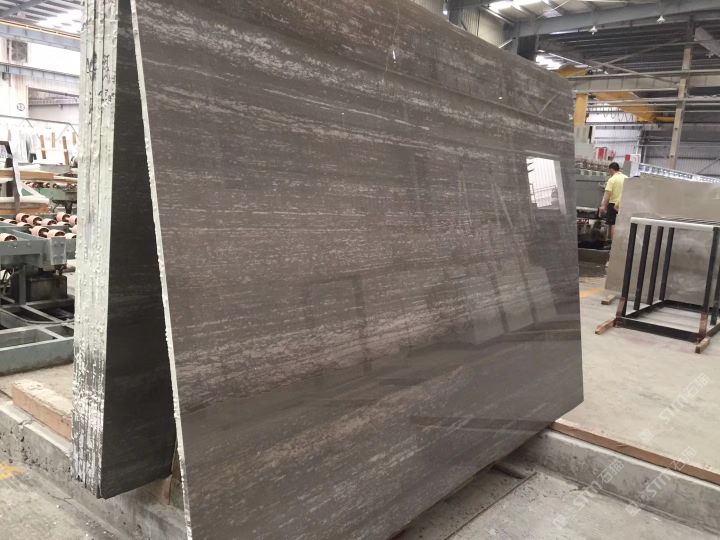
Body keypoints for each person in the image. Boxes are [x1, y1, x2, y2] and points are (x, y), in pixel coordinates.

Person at [598, 162, 626, 241]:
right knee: (620, 224)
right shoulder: (626, 178)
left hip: (613, 204)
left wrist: (603, 206)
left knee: (613, 223)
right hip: (624, 204)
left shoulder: (612, 179)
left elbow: (608, 194)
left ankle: (613, 244)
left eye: (609, 171)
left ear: (611, 169)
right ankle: (618, 242)